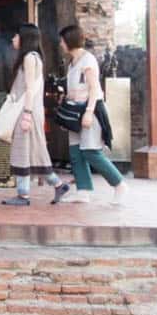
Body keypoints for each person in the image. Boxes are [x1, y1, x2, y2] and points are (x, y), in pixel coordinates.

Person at [5, 23, 71, 206]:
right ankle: (57, 185)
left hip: (27, 111)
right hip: (29, 110)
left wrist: (26, 113)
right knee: (32, 151)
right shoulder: (32, 57)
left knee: (24, 151)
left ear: (25, 38)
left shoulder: (29, 58)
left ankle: (24, 195)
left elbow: (30, 88)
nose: (13, 39)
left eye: (16, 36)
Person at [60, 25, 128, 204]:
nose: (60, 44)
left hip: (90, 110)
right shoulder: (72, 62)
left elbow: (94, 88)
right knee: (75, 152)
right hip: (75, 112)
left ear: (69, 41)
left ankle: (119, 184)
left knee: (91, 151)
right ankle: (83, 191)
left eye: (62, 40)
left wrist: (89, 113)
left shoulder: (87, 60)